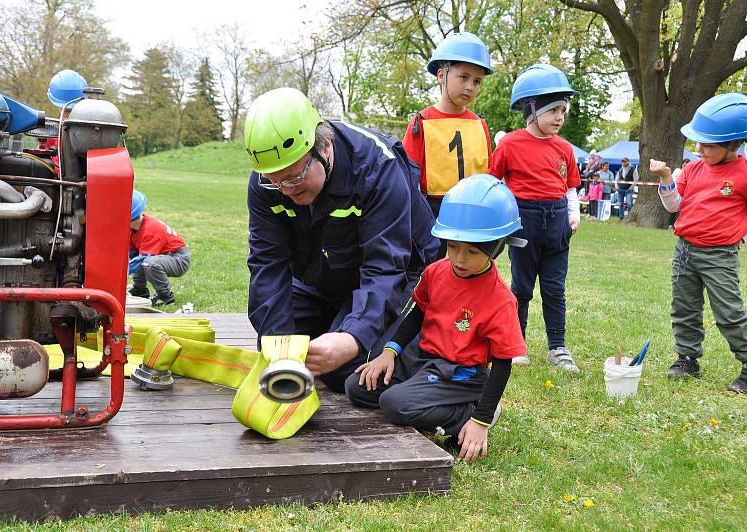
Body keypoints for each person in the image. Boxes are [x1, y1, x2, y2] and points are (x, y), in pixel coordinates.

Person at [244, 87, 440, 392]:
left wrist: (352, 337)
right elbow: (268, 264)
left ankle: (433, 367)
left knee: (347, 372)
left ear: (324, 146)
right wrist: (278, 347)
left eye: (294, 177)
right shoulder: (266, 181)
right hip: (323, 279)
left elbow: (385, 269)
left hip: (402, 277)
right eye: (274, 181)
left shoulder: (378, 169)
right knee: (278, 349)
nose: (285, 190)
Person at [345, 174, 527, 462]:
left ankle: (469, 411)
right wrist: (389, 352)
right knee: (357, 387)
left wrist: (480, 420)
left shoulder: (501, 300)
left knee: (394, 404)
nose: (459, 259)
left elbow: (504, 363)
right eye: (452, 246)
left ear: (498, 246)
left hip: (458, 373)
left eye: (472, 251)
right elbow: (418, 313)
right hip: (421, 358)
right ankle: (423, 393)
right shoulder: (437, 271)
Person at [649, 92, 747, 394]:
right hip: (685, 251)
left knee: (729, 312)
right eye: (697, 141)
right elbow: (674, 204)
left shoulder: (743, 174)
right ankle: (687, 358)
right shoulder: (692, 168)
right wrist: (666, 178)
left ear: (733, 144)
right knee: (684, 307)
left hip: (719, 255)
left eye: (708, 144)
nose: (698, 149)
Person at [489, 64, 581, 372]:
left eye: (563, 112)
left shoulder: (565, 148)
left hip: (557, 226)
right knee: (522, 287)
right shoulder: (509, 144)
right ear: (532, 109)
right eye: (554, 110)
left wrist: (572, 215)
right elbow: (495, 183)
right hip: (524, 223)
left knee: (555, 289)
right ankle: (517, 345)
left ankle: (558, 347)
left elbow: (570, 188)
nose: (559, 117)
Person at [402, 32, 493, 257]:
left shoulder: (480, 125)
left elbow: (487, 173)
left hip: (470, 215)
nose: (470, 86)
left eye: (477, 81)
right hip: (430, 214)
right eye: (463, 77)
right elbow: (406, 176)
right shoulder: (421, 122)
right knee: (429, 273)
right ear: (441, 75)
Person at [128, 190, 191, 306]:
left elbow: (144, 258)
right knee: (138, 258)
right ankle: (139, 290)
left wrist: (124, 271)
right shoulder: (132, 229)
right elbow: (131, 254)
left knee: (148, 262)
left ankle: (165, 296)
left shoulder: (151, 229)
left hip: (178, 258)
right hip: (162, 256)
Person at [45, 69, 88, 169]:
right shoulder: (53, 132)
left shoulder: (54, 130)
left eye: (70, 111)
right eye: (67, 111)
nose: (67, 117)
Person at [668, 158, 690, 228]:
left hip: (686, 193)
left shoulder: (690, 172)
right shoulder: (677, 171)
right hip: (677, 191)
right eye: (684, 165)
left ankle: (680, 224)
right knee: (674, 208)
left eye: (687, 165)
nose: (685, 166)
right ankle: (671, 224)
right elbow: (673, 179)